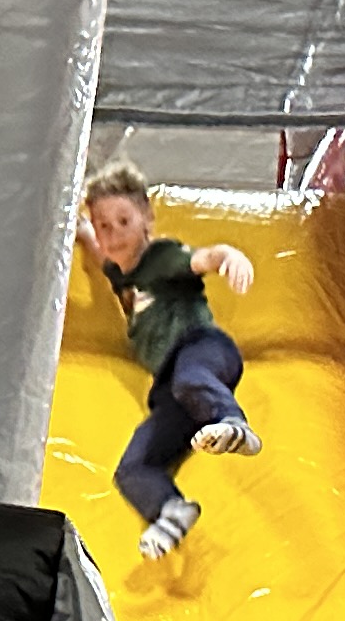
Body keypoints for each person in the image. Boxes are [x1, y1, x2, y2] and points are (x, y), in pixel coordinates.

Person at [78, 161, 264, 561]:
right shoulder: (122, 275)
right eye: (104, 225)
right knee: (132, 467)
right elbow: (99, 253)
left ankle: (233, 422)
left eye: (124, 221)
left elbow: (200, 259)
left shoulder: (159, 258)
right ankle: (171, 509)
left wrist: (228, 255)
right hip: (171, 390)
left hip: (205, 350)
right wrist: (80, 228)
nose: (114, 234)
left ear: (147, 217)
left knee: (189, 378)